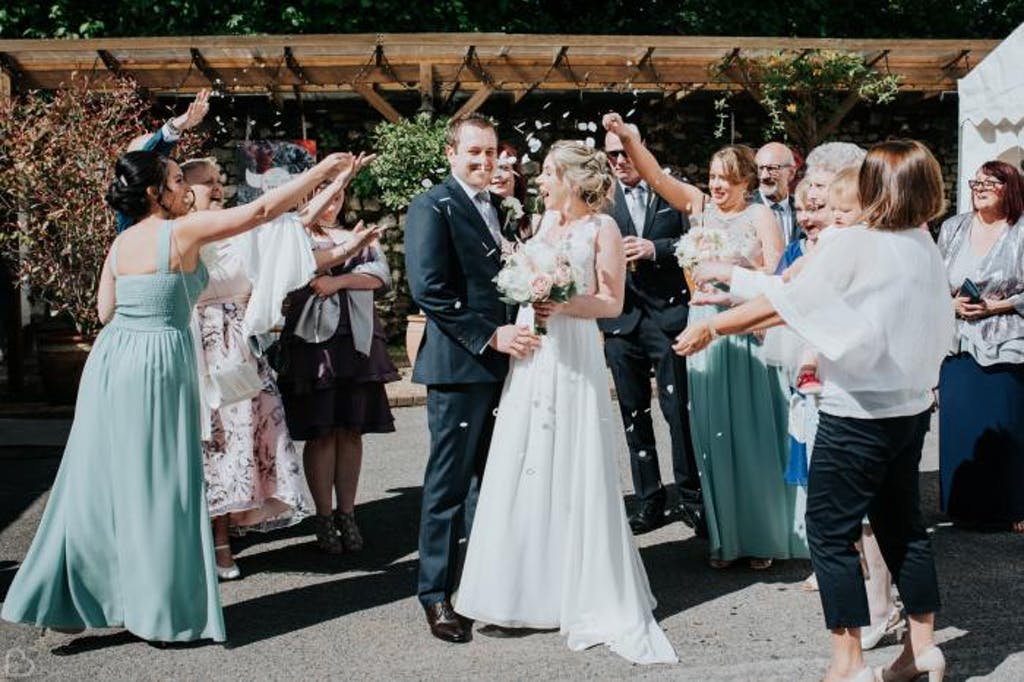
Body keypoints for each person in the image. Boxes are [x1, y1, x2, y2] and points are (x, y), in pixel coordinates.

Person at [1, 149, 363, 643]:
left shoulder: (123, 240)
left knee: (98, 483)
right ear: (157, 192)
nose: (188, 190)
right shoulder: (180, 232)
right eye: (177, 180)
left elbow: (106, 309)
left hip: (110, 363)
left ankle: (72, 595)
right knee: (163, 485)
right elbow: (260, 212)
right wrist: (322, 171)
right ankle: (159, 608)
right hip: (158, 363)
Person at [674, 139, 954, 682]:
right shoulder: (922, 244)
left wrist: (713, 324)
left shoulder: (857, 242)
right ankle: (922, 649)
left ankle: (846, 663)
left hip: (857, 413)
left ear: (876, 186)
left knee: (828, 531)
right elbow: (791, 289)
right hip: (909, 410)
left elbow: (793, 302)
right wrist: (735, 281)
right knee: (904, 528)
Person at [454, 140, 677, 664]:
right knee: (525, 462)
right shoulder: (540, 224)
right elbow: (520, 284)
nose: (541, 180)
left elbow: (611, 301)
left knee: (571, 463)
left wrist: (560, 301)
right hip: (533, 355)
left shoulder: (602, 228)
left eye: (550, 173)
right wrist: (523, 310)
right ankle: (523, 592)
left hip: (573, 353)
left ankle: (580, 588)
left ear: (574, 180)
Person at [604, 112, 806, 571]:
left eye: (727, 179)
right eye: (713, 177)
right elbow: (654, 175)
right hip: (703, 332)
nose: (716, 186)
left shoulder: (759, 216)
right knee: (711, 436)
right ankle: (725, 536)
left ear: (746, 182)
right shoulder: (696, 207)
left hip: (745, 328)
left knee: (751, 435)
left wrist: (738, 277)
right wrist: (627, 138)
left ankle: (761, 536)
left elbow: (776, 278)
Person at [405, 114, 540, 643]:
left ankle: (486, 586)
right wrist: (492, 336)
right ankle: (435, 595)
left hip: (505, 364)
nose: (485, 162)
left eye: (491, 152)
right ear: (451, 154)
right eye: (474, 153)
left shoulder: (501, 209)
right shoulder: (431, 206)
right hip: (460, 366)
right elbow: (430, 289)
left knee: (495, 480)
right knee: (448, 485)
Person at [183, 157, 313, 580]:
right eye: (207, 184)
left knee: (233, 442)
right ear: (183, 191)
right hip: (196, 349)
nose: (217, 189)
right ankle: (193, 539)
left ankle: (225, 538)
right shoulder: (179, 238)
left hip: (238, 351)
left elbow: (289, 223)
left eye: (219, 182)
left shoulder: (237, 232)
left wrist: (335, 181)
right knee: (204, 445)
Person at [275, 165, 399, 555]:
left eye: (339, 194)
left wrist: (338, 281)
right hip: (316, 345)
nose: (333, 202)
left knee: (352, 430)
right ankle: (324, 517)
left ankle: (349, 512)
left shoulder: (357, 234)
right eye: (324, 194)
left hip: (358, 341)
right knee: (323, 431)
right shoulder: (291, 233)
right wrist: (346, 259)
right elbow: (301, 272)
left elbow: (381, 277)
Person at [601, 122, 702, 536]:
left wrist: (654, 249)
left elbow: (697, 242)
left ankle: (692, 498)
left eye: (627, 151)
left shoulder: (671, 191)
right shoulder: (603, 201)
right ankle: (649, 500)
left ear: (641, 148)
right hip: (622, 323)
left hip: (667, 318)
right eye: (613, 155)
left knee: (678, 412)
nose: (621, 160)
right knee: (633, 412)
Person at [937, 160, 1024, 532]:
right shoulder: (953, 227)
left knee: (1006, 425)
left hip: (1006, 340)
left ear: (1011, 189)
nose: (981, 187)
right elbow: (933, 277)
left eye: (992, 182)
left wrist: (996, 305)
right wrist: (950, 302)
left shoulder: (1020, 231)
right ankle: (963, 505)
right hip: (957, 340)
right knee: (960, 423)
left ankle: (1013, 507)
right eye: (977, 181)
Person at [118, 90, 211, 234]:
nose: (188, 188)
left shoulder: (179, 226)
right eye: (179, 180)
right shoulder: (132, 226)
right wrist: (176, 126)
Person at [754, 141, 799, 245]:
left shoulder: (802, 209)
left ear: (791, 173)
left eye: (772, 168)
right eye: (760, 169)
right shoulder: (744, 208)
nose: (764, 176)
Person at [490, 142, 533, 242]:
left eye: (504, 168)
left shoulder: (536, 223)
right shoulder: (479, 219)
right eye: (491, 169)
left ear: (516, 177)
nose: (497, 175)